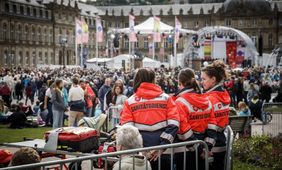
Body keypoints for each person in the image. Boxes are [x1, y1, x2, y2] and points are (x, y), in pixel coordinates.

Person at [120, 68, 179, 170]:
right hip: (165, 152)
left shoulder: (129, 102)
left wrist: (142, 149)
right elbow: (174, 124)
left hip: (140, 154)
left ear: (137, 80)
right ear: (153, 80)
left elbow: (128, 130)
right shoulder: (166, 98)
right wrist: (161, 147)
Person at [174, 68, 216, 170]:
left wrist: (198, 149)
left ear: (180, 83)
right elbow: (212, 126)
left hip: (184, 149)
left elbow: (183, 129)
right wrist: (207, 147)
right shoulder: (207, 100)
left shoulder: (180, 102)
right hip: (204, 149)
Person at [201, 60, 231, 170]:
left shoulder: (208, 98)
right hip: (222, 141)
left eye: (204, 79)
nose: (201, 82)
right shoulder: (225, 94)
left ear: (213, 79)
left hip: (209, 144)